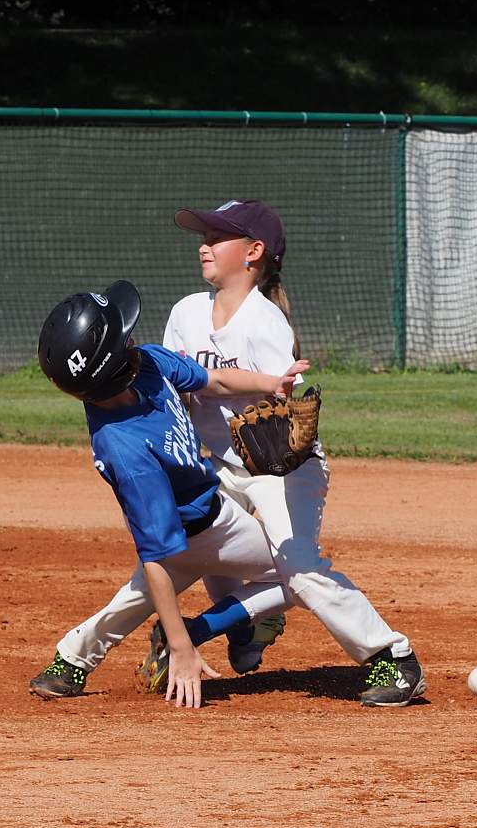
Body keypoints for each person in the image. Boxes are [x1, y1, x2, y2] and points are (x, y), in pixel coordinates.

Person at [161, 198, 424, 708]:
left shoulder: (265, 322)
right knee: (206, 539)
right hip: (220, 464)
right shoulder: (185, 312)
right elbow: (178, 388)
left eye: (217, 237)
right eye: (204, 237)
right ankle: (244, 627)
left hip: (280, 466)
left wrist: (271, 397)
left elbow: (284, 408)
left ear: (253, 252)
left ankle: (394, 658)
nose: (204, 246)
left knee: (299, 566)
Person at [28, 280, 307, 709]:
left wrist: (271, 383)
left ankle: (70, 661)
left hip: (203, 517)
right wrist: (182, 643)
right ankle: (207, 629)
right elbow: (156, 555)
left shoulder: (150, 364)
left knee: (131, 601)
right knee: (301, 576)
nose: (132, 340)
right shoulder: (125, 450)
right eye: (124, 339)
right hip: (208, 529)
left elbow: (213, 379)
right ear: (112, 365)